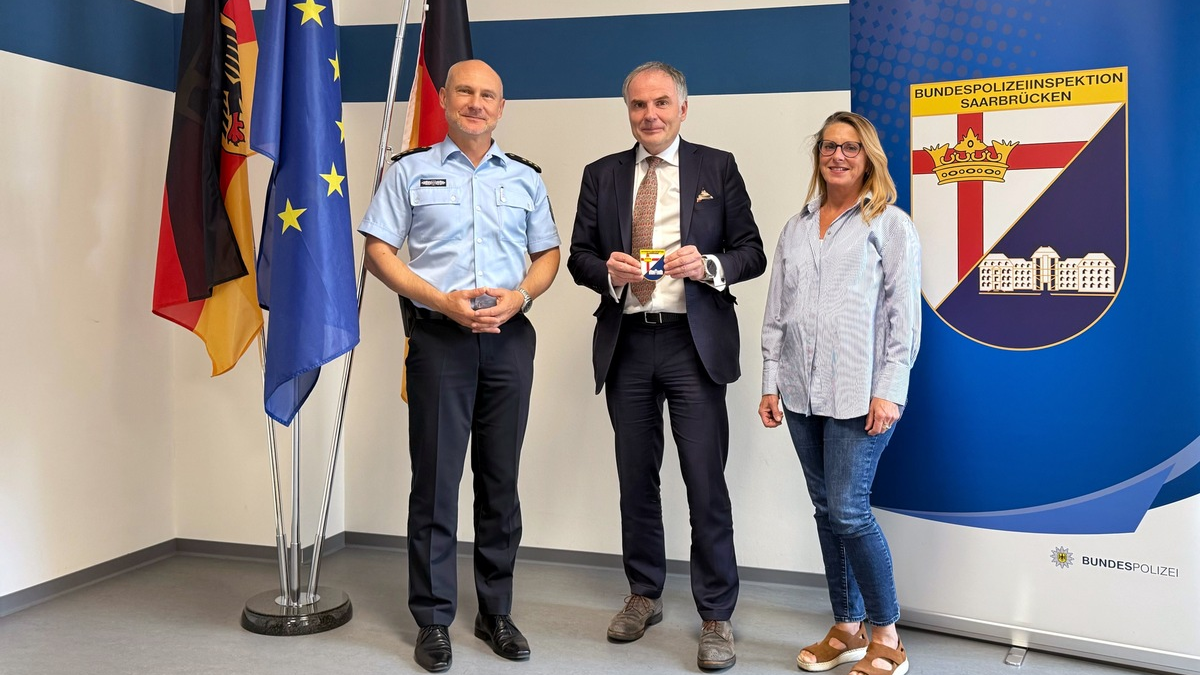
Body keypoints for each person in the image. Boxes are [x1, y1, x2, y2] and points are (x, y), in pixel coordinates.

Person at [359, 59, 560, 673]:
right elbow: (377, 251)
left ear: (502, 106)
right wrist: (438, 299)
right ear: (444, 99)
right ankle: (434, 619)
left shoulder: (525, 179)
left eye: (489, 95)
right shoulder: (409, 173)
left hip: (508, 341)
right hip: (439, 341)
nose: (476, 103)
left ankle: (495, 611)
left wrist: (521, 296)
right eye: (465, 92)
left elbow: (547, 254)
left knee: (501, 484)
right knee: (437, 483)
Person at [568, 61, 766, 671]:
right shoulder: (600, 175)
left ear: (683, 107)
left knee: (705, 482)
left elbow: (750, 252)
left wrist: (706, 266)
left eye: (660, 104)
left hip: (692, 343)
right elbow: (578, 256)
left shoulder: (717, 166)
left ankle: (715, 615)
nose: (649, 115)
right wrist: (608, 271)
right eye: (637, 106)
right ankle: (644, 593)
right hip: (628, 342)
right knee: (636, 478)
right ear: (626, 110)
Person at [758, 111, 920, 675]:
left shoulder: (890, 226)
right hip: (800, 396)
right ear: (819, 156)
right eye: (829, 147)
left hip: (860, 395)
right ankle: (846, 628)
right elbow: (777, 312)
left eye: (851, 147)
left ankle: (888, 637)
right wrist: (769, 382)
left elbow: (903, 320)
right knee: (827, 510)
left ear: (868, 157)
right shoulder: (797, 227)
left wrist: (889, 391)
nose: (839, 156)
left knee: (850, 511)